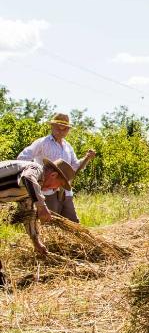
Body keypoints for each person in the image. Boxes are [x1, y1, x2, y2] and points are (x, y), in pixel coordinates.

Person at [0, 158, 76, 286]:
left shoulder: (32, 191)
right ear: (53, 175)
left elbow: (28, 216)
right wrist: (41, 206)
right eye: (59, 185)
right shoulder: (35, 169)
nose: (56, 189)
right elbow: (27, 178)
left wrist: (36, 241)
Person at [17, 113, 95, 223]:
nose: (61, 131)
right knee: (49, 223)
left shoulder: (68, 147)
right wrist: (36, 178)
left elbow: (75, 166)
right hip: (47, 192)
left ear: (68, 130)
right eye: (58, 127)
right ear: (52, 127)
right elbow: (22, 158)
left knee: (73, 222)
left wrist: (87, 158)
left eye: (64, 128)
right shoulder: (43, 143)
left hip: (65, 191)